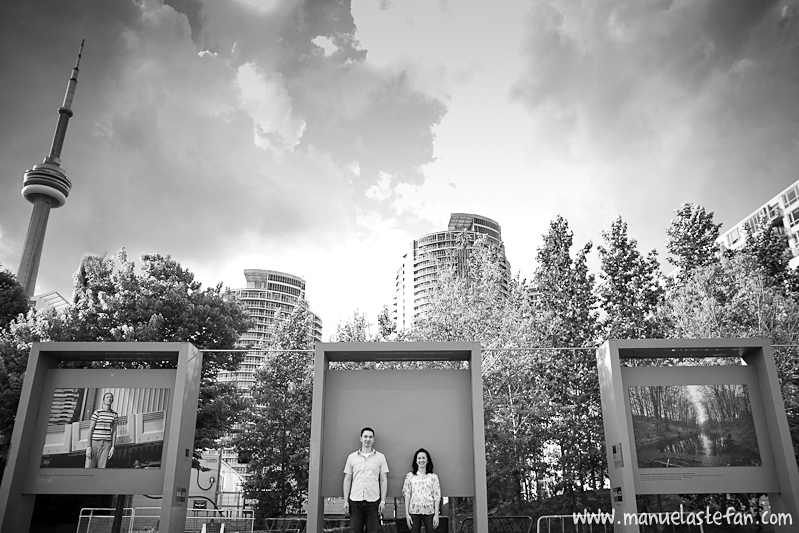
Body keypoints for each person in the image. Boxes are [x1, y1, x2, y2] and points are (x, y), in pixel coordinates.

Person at [343, 427, 389, 533]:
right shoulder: (352, 457)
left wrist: (383, 501)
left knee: (373, 531)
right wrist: (345, 501)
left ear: (373, 440)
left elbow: (383, 480)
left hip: (373, 502)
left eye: (370, 437)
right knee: (355, 530)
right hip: (355, 501)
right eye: (365, 436)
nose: (367, 439)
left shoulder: (381, 457)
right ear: (361, 438)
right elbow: (347, 479)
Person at [402, 448, 440, 533]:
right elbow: (407, 494)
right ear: (416, 461)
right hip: (414, 511)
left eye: (423, 458)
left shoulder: (433, 477)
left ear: (427, 460)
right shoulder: (410, 476)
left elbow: (437, 496)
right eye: (419, 458)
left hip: (430, 511)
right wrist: (407, 514)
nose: (421, 460)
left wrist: (436, 515)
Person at [85, 391, 118, 468]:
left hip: (107, 444)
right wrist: (88, 447)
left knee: (102, 467)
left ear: (112, 400)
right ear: (103, 400)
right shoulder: (97, 413)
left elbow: (114, 432)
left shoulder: (114, 414)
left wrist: (113, 447)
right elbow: (90, 430)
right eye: (107, 397)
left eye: (111, 397)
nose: (109, 398)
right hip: (95, 442)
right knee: (89, 466)